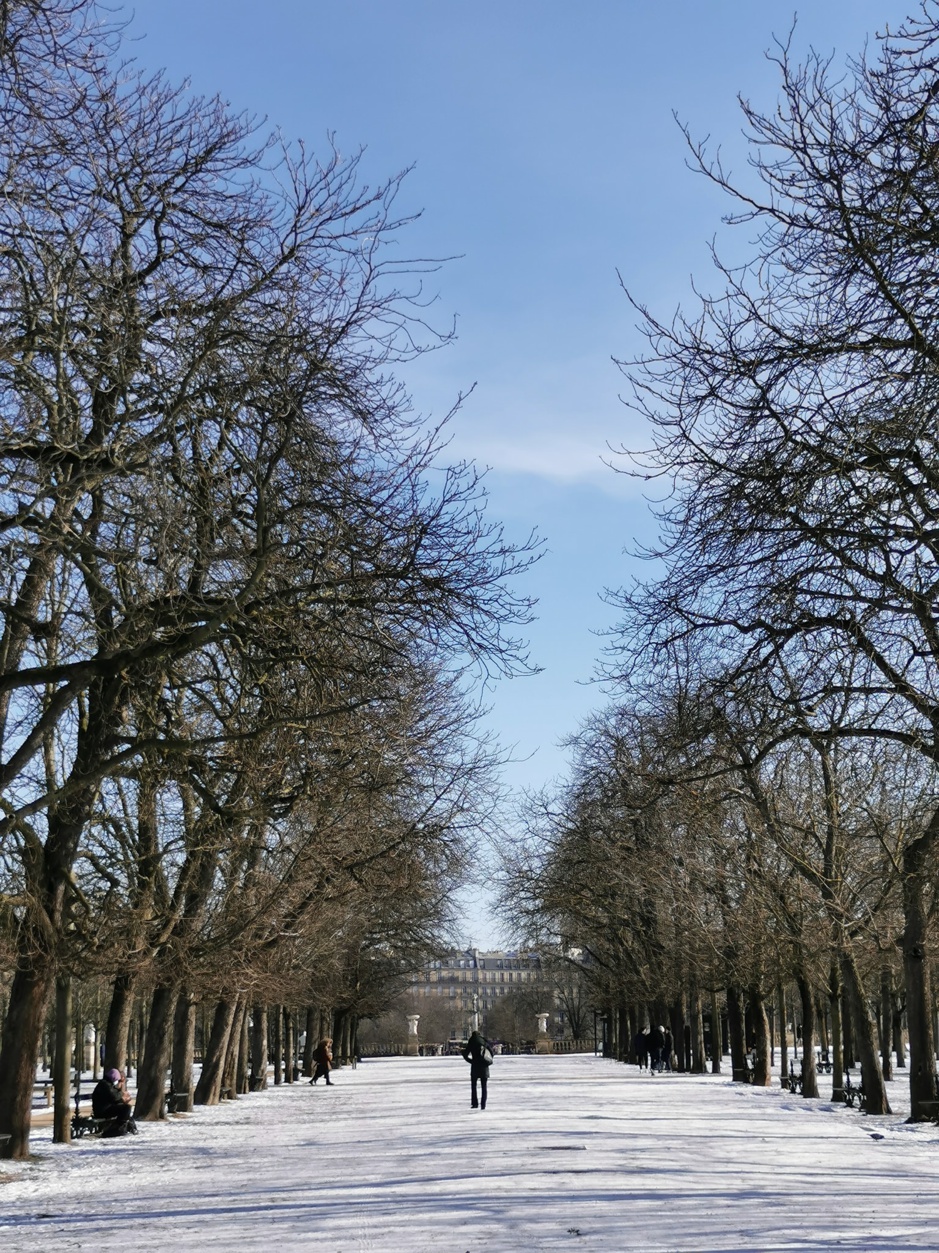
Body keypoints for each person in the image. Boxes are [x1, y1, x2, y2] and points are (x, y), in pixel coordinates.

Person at [92, 1067, 136, 1136]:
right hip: (102, 1111)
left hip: (106, 1108)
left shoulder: (107, 1084)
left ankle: (121, 1126)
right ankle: (117, 1128)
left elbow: (113, 1097)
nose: (117, 1081)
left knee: (125, 1107)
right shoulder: (105, 1085)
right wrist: (122, 1093)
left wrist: (122, 1099)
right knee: (126, 1108)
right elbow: (114, 1096)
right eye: (117, 1080)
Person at [461, 1030, 493, 1110]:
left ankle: (475, 1104)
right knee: (484, 1086)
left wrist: (471, 1061)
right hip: (484, 1066)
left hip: (475, 1066)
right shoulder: (484, 1041)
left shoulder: (471, 1042)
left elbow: (465, 1054)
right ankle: (483, 1104)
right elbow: (491, 1053)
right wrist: (487, 1061)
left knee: (474, 1086)